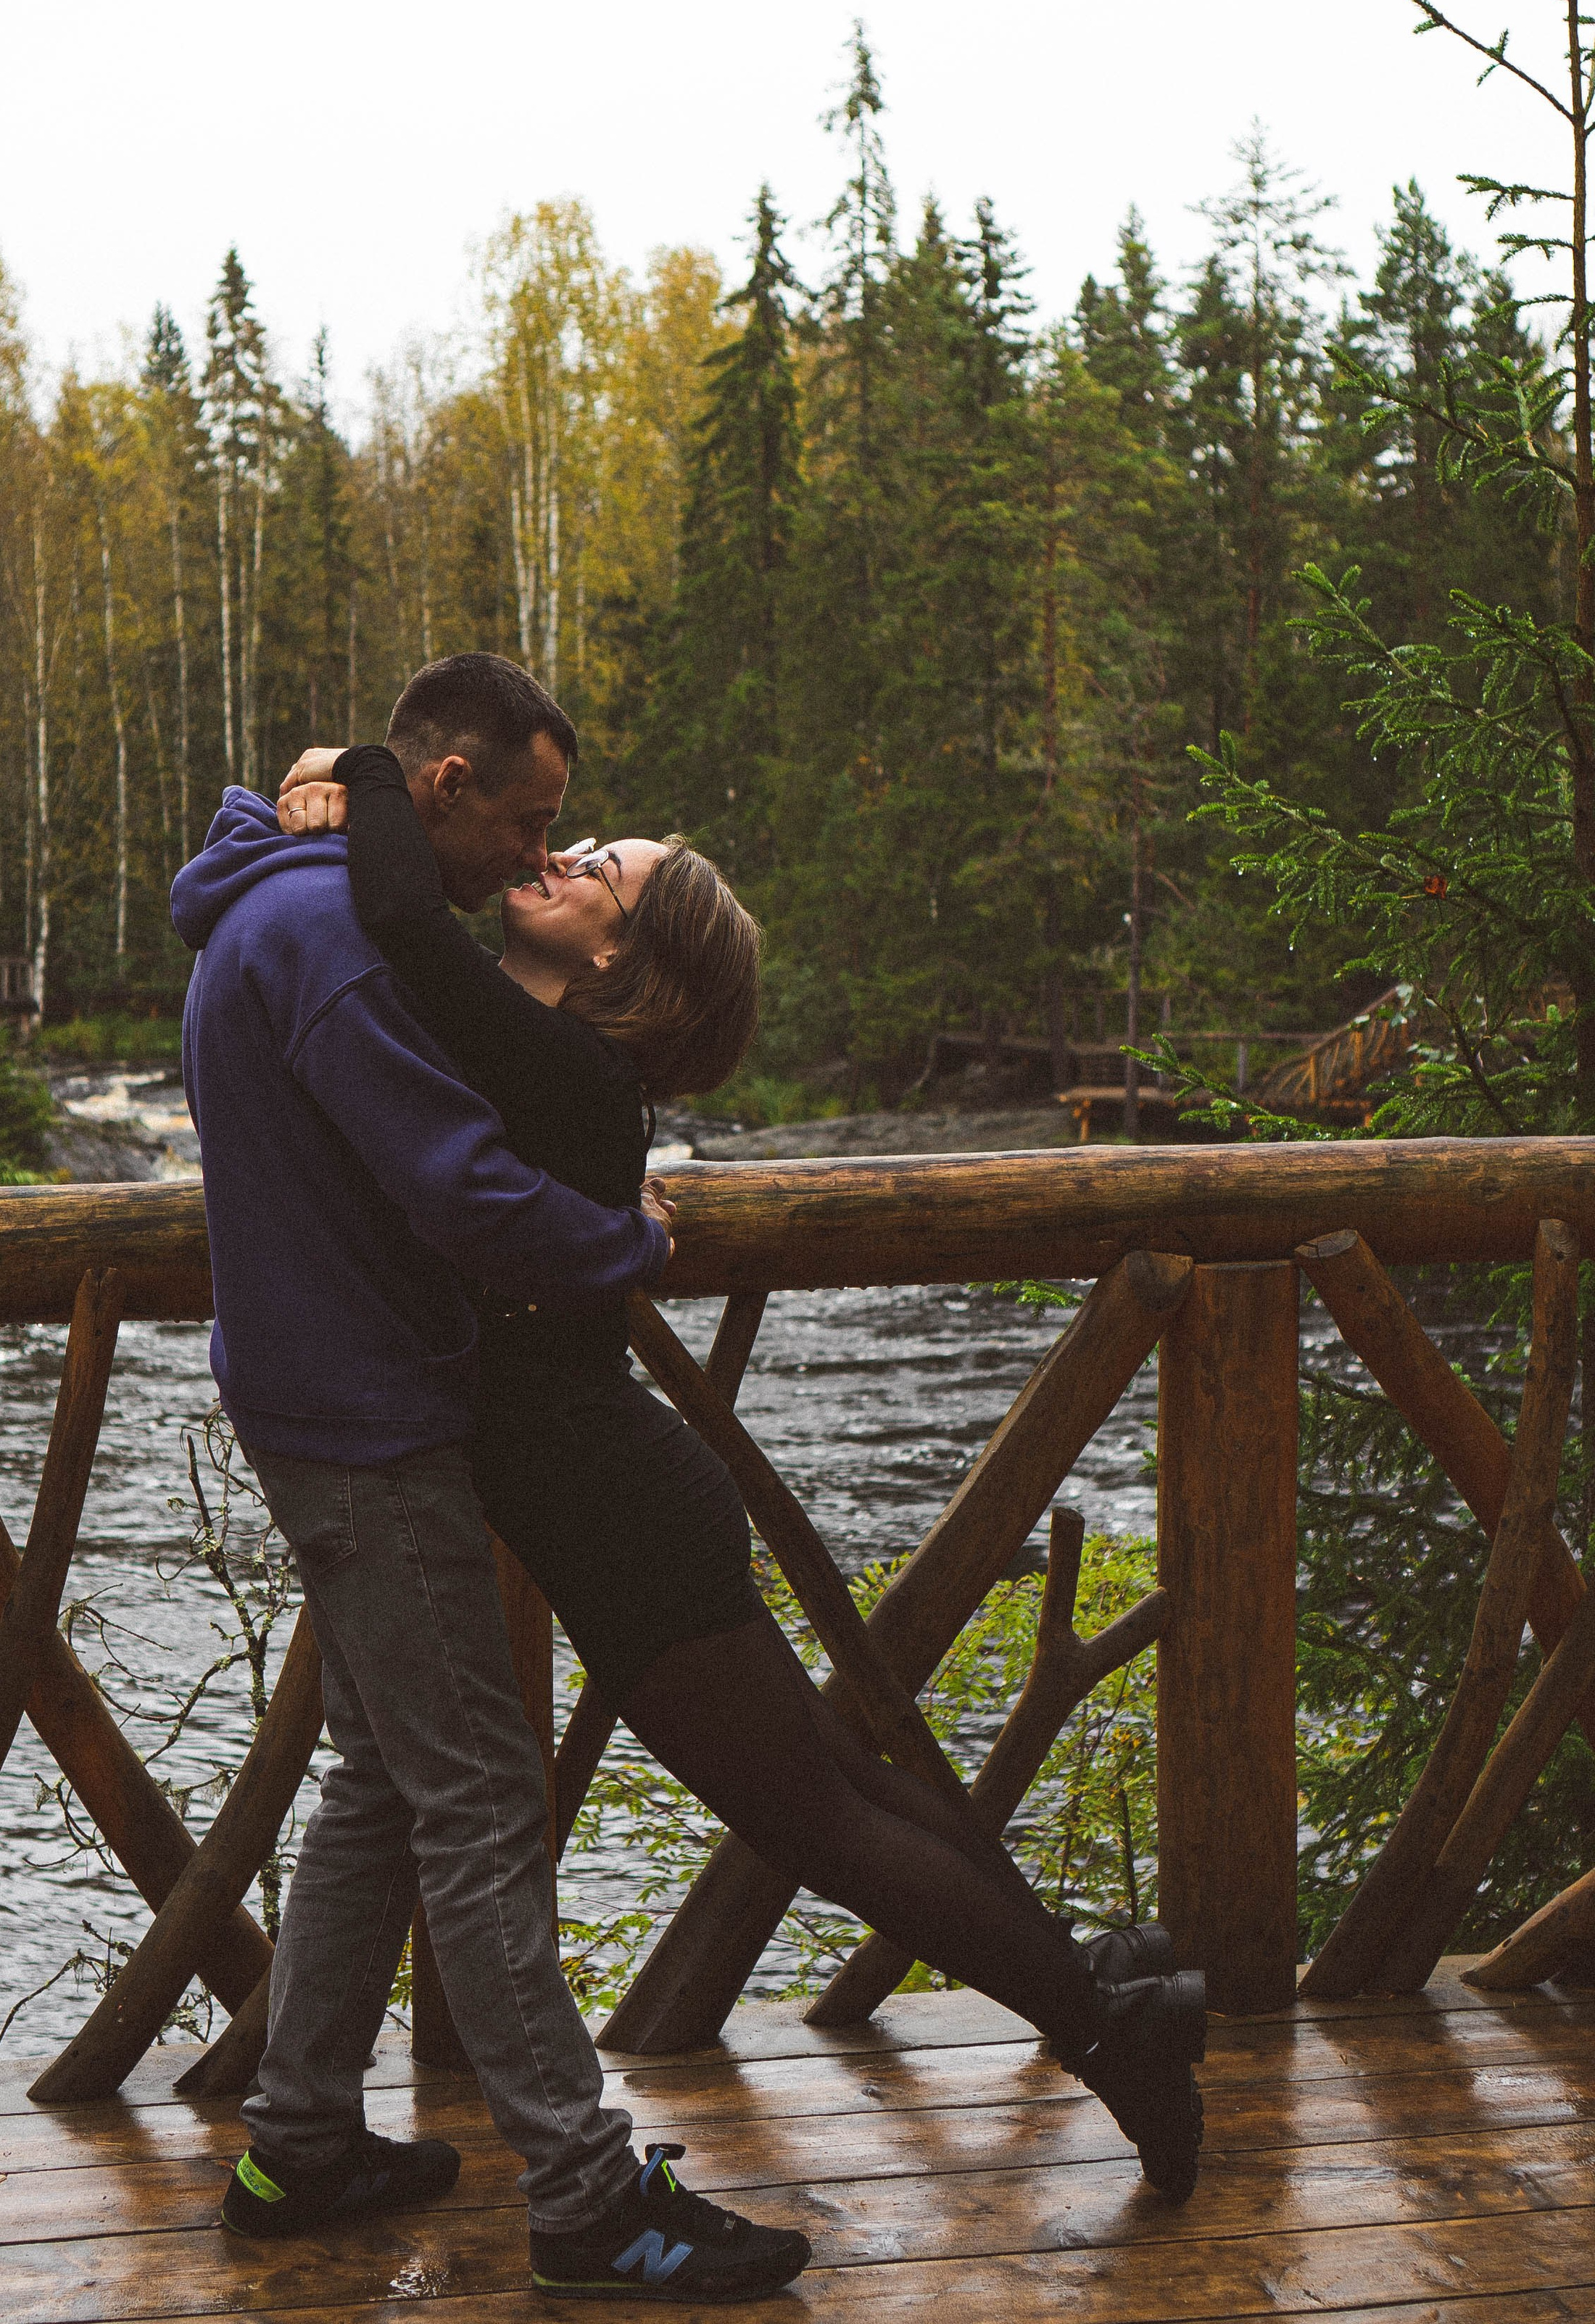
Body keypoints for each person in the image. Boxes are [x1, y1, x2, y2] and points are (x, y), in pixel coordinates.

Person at [274, 728, 1209, 2204]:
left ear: (618, 967)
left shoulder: (554, 1061)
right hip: (622, 1495)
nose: (554, 862)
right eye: (574, 847)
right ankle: (1105, 1990)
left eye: (597, 873)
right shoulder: (542, 1061)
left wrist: (369, 764)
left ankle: (1105, 2028)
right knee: (842, 1787)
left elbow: (395, 912)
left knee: (818, 1818)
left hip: (616, 1513)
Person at [173, 650, 812, 2299]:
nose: (541, 853)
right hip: (370, 1423)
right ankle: (588, 2198)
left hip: (320, 1395)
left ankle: (298, 2139)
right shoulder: (330, 941)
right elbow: (460, 1188)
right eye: (530, 820)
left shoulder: (285, 895)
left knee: (384, 1782)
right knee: (475, 1804)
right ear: (441, 786)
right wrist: (624, 1238)